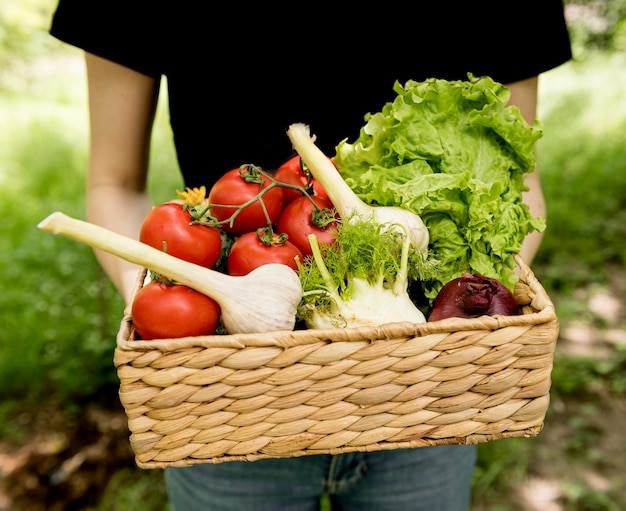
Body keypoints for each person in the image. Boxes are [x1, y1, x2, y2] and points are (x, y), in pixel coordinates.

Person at [49, 3, 572, 510]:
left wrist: (456, 320)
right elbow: (113, 184)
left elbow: (518, 186)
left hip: (426, 390)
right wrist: (181, 320)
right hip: (228, 394)